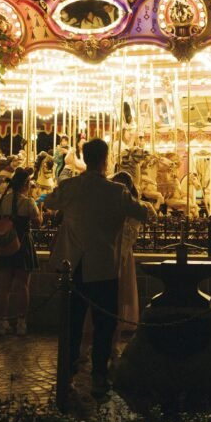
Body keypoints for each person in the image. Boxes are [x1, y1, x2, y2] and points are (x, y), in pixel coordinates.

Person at [47, 138, 153, 398]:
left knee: (72, 321)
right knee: (104, 323)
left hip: (74, 265)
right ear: (105, 160)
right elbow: (144, 213)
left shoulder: (70, 186)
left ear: (85, 156)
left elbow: (50, 201)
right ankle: (99, 373)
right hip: (104, 266)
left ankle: (68, 371)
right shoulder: (116, 192)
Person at [0, 168, 41, 336]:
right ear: (26, 184)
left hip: (5, 243)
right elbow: (38, 222)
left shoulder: (1, 201)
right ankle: (21, 322)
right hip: (22, 244)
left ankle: (2, 322)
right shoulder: (27, 202)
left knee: (4, 286)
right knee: (22, 285)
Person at [110, 172, 152, 343]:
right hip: (109, 252)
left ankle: (114, 340)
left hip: (122, 255)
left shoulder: (134, 209)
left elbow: (131, 232)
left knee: (120, 298)